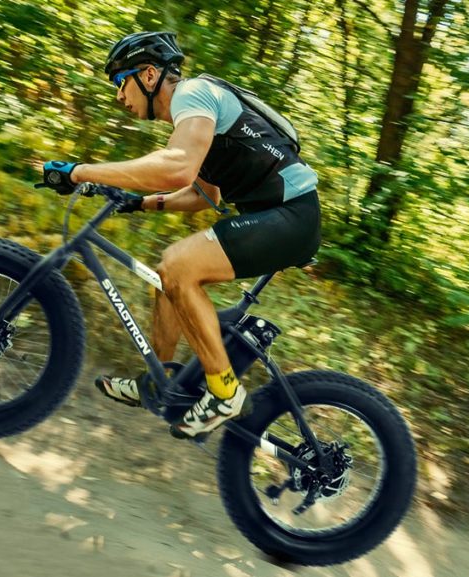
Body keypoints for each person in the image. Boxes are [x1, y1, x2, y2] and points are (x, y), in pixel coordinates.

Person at [40, 31, 321, 439]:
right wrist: (138, 203)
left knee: (179, 264)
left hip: (290, 216)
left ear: (150, 75)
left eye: (122, 82)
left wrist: (79, 171)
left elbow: (176, 167)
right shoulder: (195, 118)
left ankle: (225, 392)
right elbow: (203, 194)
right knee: (165, 277)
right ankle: (159, 381)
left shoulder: (193, 93)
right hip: (278, 218)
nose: (119, 95)